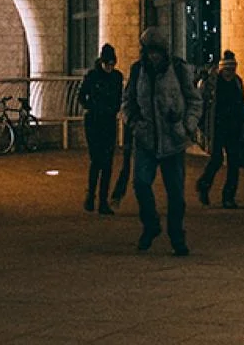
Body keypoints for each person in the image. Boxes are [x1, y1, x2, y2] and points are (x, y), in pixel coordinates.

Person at [121, 26, 203, 257]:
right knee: (140, 183)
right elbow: (127, 101)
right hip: (146, 138)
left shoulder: (178, 69)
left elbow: (194, 101)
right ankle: (151, 225)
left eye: (156, 52)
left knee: (176, 193)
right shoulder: (138, 71)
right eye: (149, 52)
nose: (153, 56)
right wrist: (134, 122)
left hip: (173, 140)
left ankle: (177, 236)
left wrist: (186, 125)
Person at [196, 50, 244, 209]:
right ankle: (204, 185)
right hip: (218, 126)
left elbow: (241, 104)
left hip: (233, 127)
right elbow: (203, 101)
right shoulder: (213, 83)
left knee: (234, 162)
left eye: (232, 70)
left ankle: (228, 197)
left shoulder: (237, 82)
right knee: (217, 159)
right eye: (227, 70)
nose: (230, 73)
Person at [79, 42, 123, 216]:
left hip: (108, 121)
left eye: (112, 64)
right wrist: (93, 107)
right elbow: (82, 96)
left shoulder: (116, 77)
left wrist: (112, 108)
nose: (110, 68)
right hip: (95, 121)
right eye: (108, 64)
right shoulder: (92, 76)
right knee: (97, 160)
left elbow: (119, 98)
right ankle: (92, 196)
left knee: (107, 163)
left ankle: (101, 200)